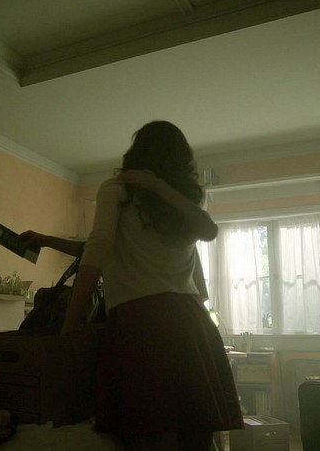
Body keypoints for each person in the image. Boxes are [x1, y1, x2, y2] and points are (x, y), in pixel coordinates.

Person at [59, 120, 243, 451]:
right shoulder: (137, 193)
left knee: (154, 432)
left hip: (142, 321)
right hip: (188, 321)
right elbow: (97, 248)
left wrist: (70, 321)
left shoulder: (123, 190)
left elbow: (97, 251)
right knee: (194, 431)